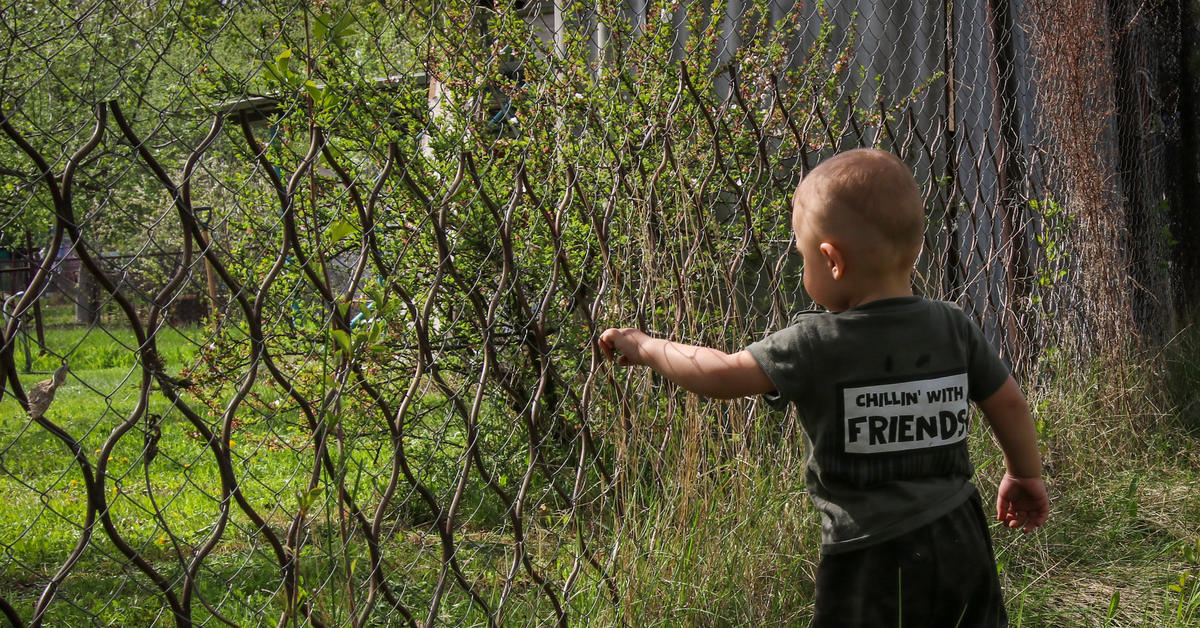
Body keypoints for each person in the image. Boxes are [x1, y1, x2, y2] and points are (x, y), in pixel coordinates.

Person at [598, 148, 1049, 626]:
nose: (801, 266)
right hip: (961, 534)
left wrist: (644, 345)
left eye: (801, 256)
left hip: (869, 552)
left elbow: (720, 374)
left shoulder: (816, 342)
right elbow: (1009, 402)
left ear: (831, 260)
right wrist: (1024, 474)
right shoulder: (954, 326)